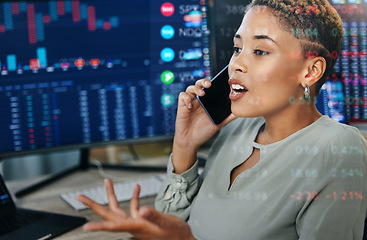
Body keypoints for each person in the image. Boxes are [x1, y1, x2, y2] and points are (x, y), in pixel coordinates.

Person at [77, 0, 367, 239]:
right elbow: (170, 225)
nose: (236, 63)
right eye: (237, 48)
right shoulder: (237, 127)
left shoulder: (337, 147)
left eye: (260, 51)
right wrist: (184, 146)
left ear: (310, 71)